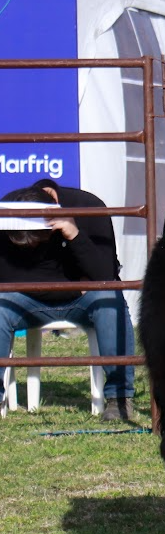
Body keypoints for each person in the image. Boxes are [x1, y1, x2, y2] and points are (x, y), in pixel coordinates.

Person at [0, 179, 135, 422]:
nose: (31, 248)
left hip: (80, 300)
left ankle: (120, 397)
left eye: (38, 241)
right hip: (27, 300)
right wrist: (76, 280)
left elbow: (106, 276)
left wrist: (74, 234)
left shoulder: (88, 206)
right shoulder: (7, 212)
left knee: (108, 298)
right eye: (22, 246)